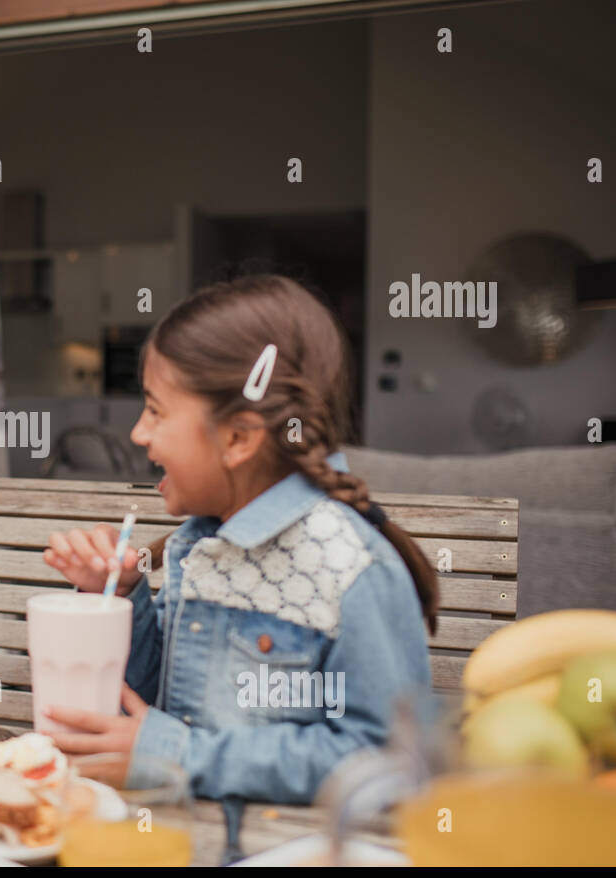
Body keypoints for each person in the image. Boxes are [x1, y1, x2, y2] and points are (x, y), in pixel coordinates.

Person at [42, 275, 435, 803]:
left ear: (238, 438)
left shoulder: (350, 570)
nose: (138, 433)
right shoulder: (200, 542)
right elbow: (163, 699)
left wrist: (176, 755)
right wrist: (121, 596)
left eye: (156, 410)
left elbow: (387, 762)